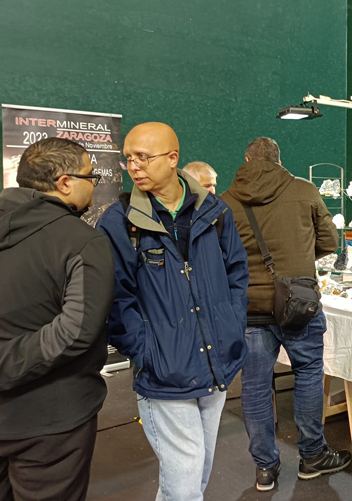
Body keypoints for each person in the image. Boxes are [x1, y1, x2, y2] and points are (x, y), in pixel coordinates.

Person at [97, 122, 249, 501]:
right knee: (184, 479)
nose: (134, 166)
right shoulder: (120, 222)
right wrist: (148, 352)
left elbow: (237, 273)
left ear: (172, 158)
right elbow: (115, 298)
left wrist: (230, 326)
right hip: (164, 373)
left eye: (143, 157)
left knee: (199, 469)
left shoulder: (215, 211)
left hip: (216, 361)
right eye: (128, 159)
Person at [0, 138, 114, 501]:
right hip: (52, 420)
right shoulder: (83, 242)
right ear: (64, 182)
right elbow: (75, 331)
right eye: (91, 176)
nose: (95, 184)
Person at [220, 137, 350, 492]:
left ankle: (265, 467)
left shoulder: (226, 202)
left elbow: (221, 256)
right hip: (298, 303)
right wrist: (300, 256)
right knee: (308, 374)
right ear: (279, 161)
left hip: (249, 308)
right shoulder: (304, 191)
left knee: (255, 386)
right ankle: (312, 456)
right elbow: (329, 241)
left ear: (247, 160)